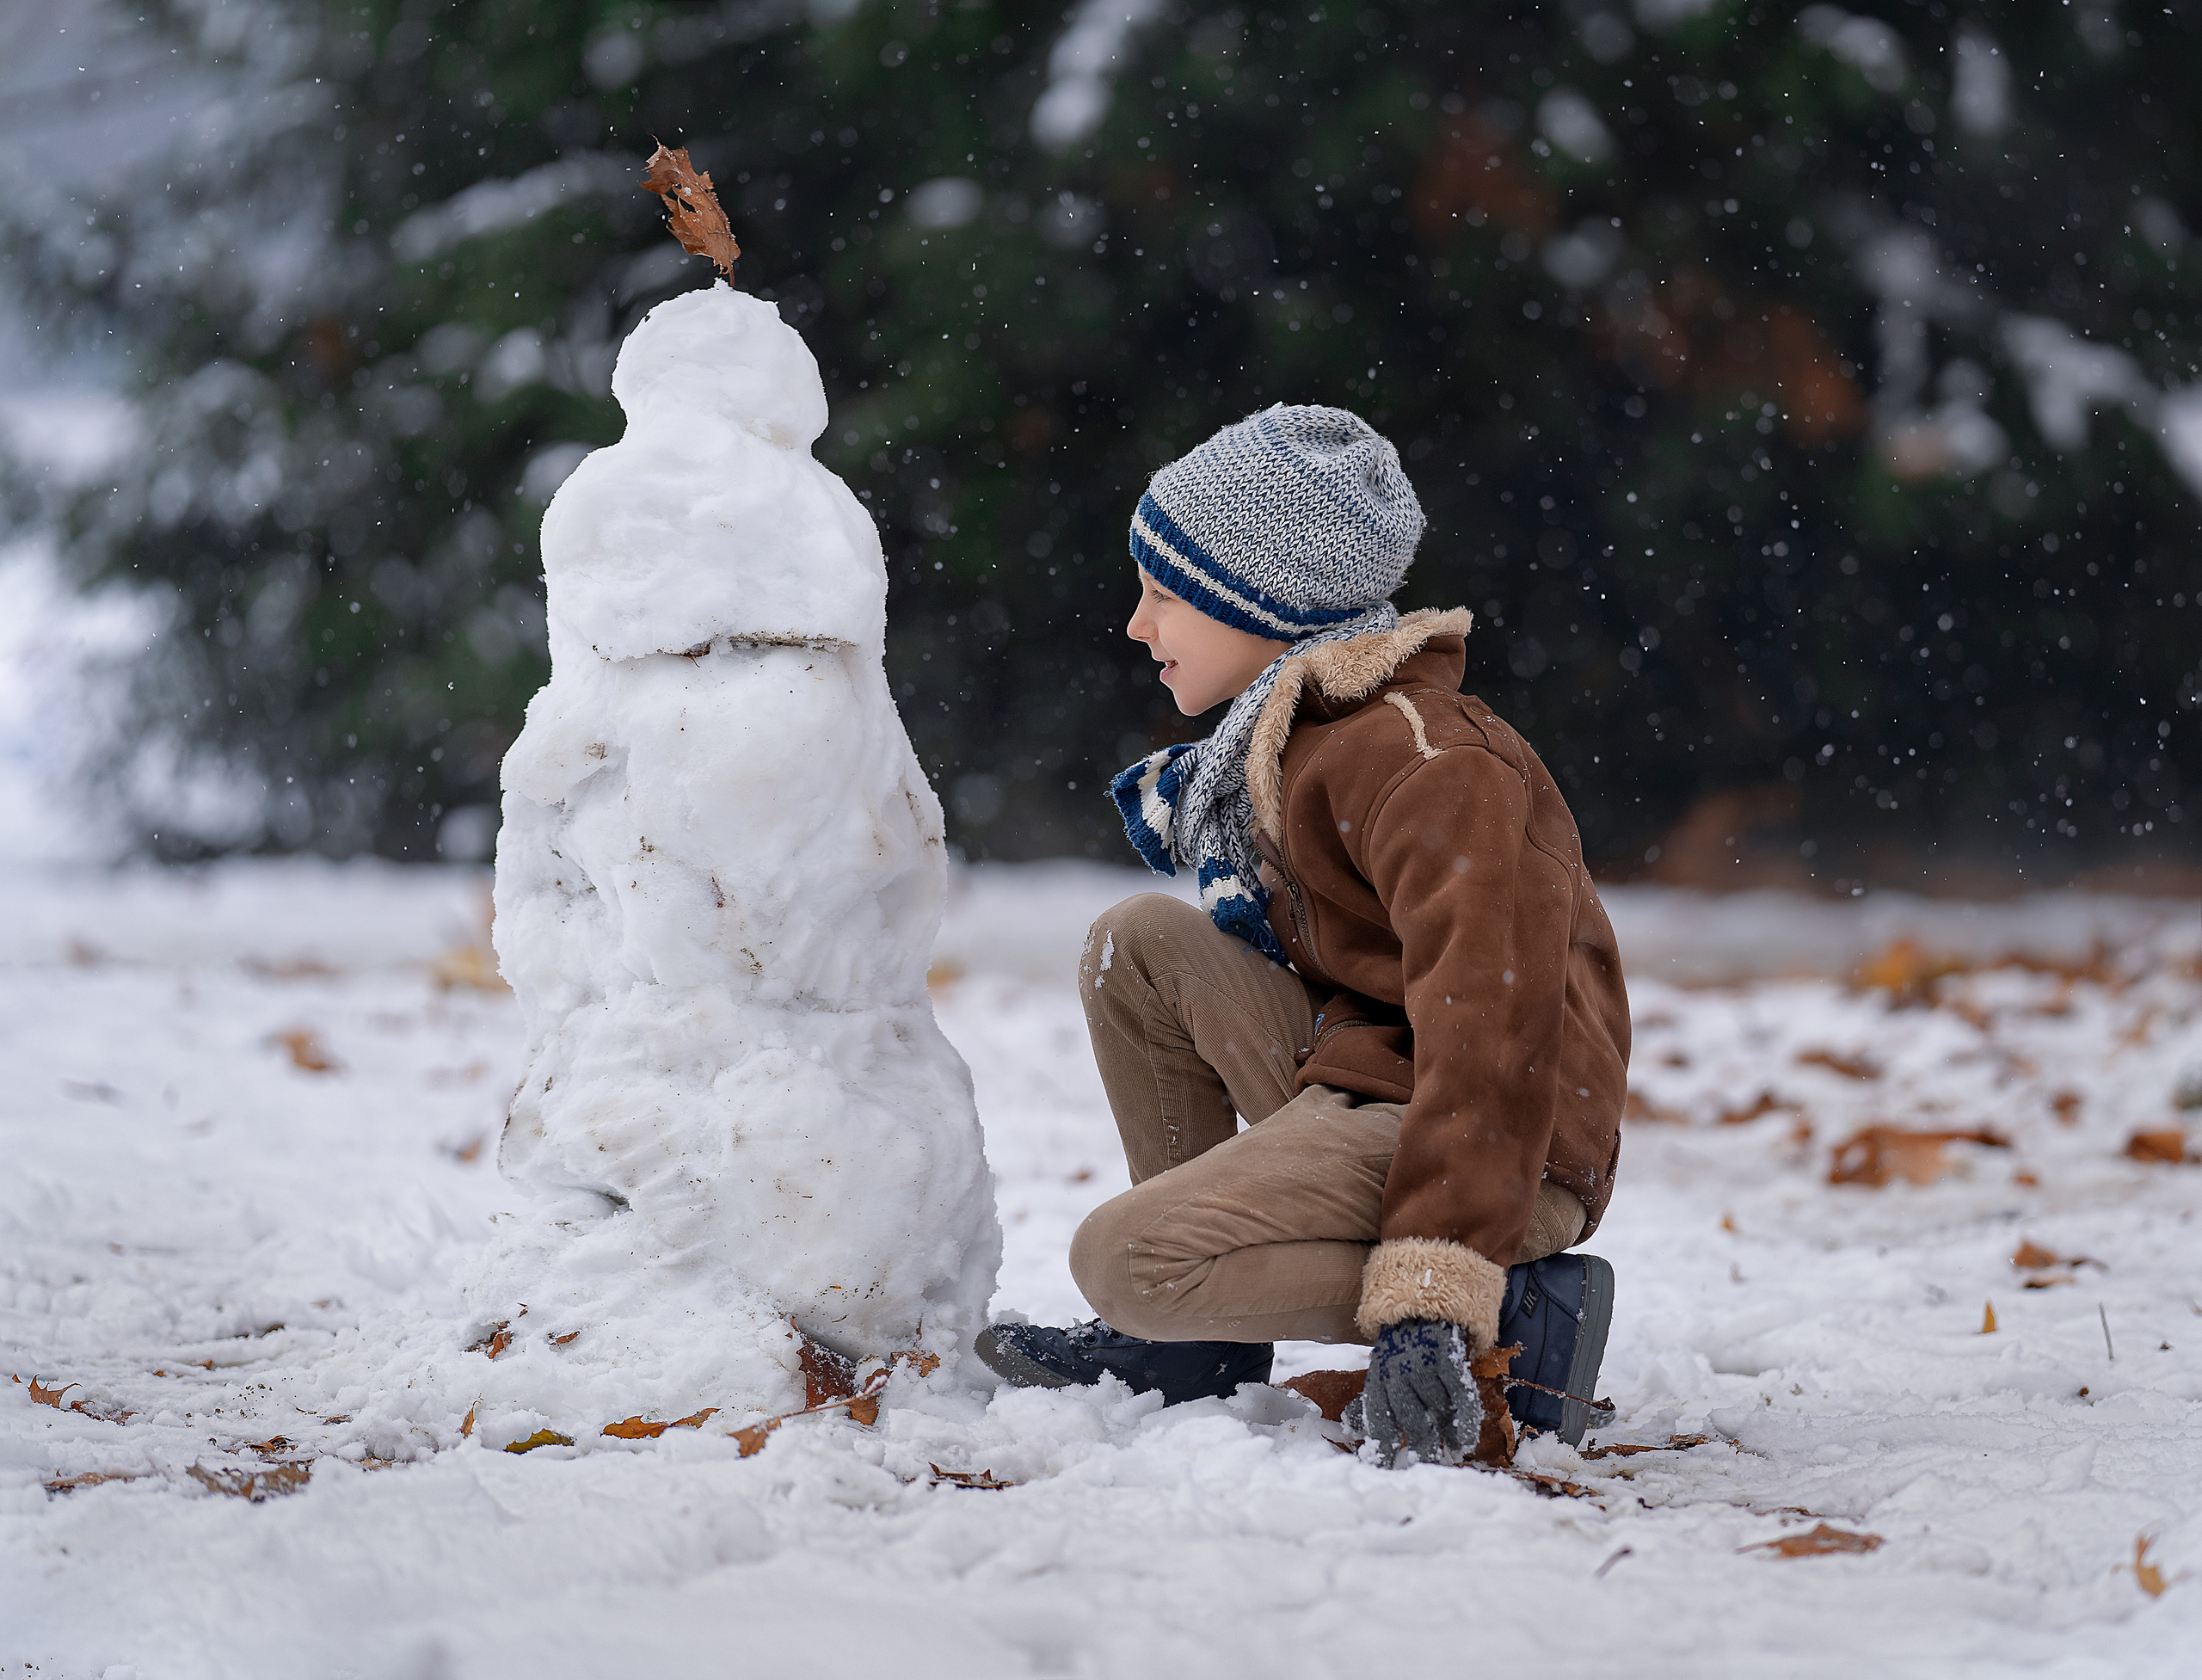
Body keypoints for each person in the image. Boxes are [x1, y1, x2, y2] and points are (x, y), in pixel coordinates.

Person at [975, 405, 1630, 1468]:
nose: (1137, 626)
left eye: (1161, 594)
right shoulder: (1306, 742)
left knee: (1127, 1262)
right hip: (1372, 1074)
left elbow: (1495, 1031)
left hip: (1496, 1133)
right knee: (1138, 941)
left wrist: (1432, 1290)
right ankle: (1202, 1345)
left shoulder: (1431, 763)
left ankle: (1504, 1310)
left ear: (1257, 599)